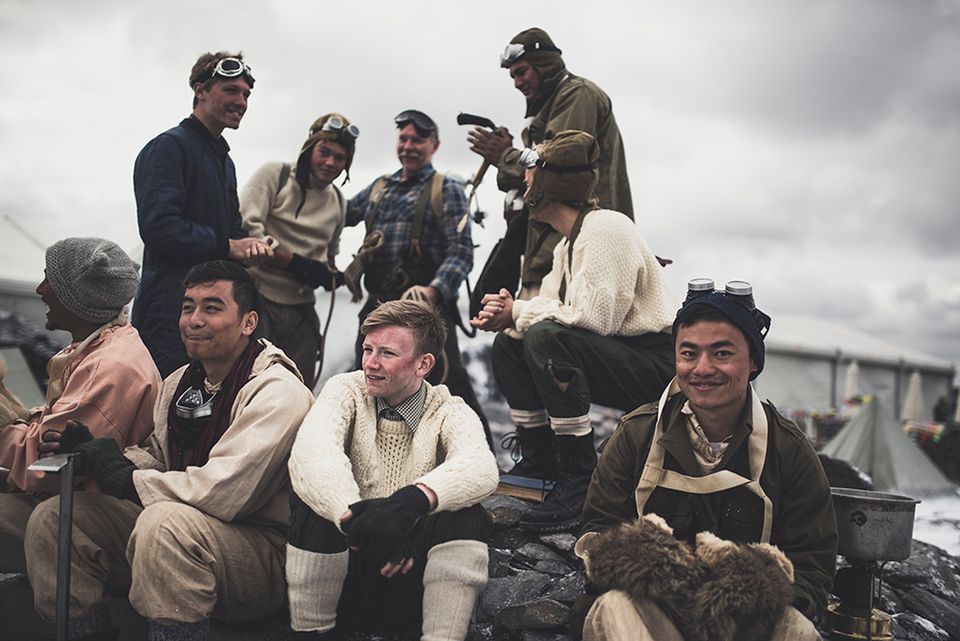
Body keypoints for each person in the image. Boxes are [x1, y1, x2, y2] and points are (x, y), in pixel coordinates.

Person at [21, 260, 314, 641]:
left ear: (248, 322)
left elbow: (223, 493)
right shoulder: (181, 382)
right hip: (183, 532)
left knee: (164, 525)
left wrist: (125, 478)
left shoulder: (277, 392)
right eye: (188, 307)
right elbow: (158, 457)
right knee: (57, 516)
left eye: (212, 308)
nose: (193, 320)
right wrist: (101, 454)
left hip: (260, 552)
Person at [576, 280, 838, 641]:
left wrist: (746, 588)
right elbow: (598, 529)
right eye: (688, 353)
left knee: (798, 630)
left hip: (747, 622)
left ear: (754, 363)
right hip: (653, 612)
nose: (701, 368)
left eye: (722, 353)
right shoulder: (637, 435)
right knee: (614, 607)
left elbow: (813, 562)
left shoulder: (788, 449)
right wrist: (658, 569)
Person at [472, 131, 676, 533]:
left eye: (531, 172)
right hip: (620, 356)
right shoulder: (569, 244)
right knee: (509, 345)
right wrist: (508, 315)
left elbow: (593, 319)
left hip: (659, 367)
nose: (525, 179)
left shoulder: (605, 230)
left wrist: (519, 311)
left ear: (550, 184)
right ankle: (540, 459)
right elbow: (551, 310)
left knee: (543, 338)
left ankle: (580, 478)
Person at [286, 299, 498, 641]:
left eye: (386, 353)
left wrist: (409, 504)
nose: (370, 363)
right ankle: (313, 634)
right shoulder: (346, 390)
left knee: (465, 514)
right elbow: (312, 452)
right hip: (346, 567)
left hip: (407, 572)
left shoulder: (449, 409)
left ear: (423, 364)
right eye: (367, 349)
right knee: (314, 497)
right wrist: (360, 522)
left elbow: (481, 465)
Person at [0, 237, 159, 573]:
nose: (41, 289)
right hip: (69, 495)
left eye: (50, 280)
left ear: (77, 299)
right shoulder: (98, 349)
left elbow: (47, 467)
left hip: (89, 510)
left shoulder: (110, 368)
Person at [345, 109, 491, 445]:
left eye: (418, 140)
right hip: (378, 306)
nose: (409, 146)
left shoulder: (447, 189)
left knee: (448, 387)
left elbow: (461, 251)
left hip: (425, 312)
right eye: (404, 138)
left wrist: (433, 289)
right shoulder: (380, 187)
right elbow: (339, 213)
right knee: (367, 383)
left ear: (435, 145)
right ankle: (368, 459)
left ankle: (480, 460)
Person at [133, 50, 273, 378]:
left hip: (209, 315)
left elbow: (232, 231)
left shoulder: (224, 161)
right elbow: (160, 228)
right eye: (231, 90)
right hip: (169, 313)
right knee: (160, 413)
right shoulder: (168, 147)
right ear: (200, 90)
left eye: (246, 94)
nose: (241, 101)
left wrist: (251, 246)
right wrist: (227, 247)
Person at [468, 27, 633, 301]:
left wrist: (505, 156)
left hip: (577, 254)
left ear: (543, 65)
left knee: (542, 338)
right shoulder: (551, 105)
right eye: (512, 76)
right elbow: (540, 168)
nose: (517, 83)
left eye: (521, 72)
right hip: (549, 254)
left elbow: (559, 171)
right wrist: (512, 154)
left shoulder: (577, 96)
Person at [240, 112, 357, 388]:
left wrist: (331, 274)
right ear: (309, 148)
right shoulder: (275, 176)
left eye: (340, 158)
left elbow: (330, 256)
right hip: (258, 298)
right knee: (246, 383)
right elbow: (247, 230)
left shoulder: (338, 202)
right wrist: (298, 266)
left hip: (301, 309)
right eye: (324, 152)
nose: (330, 163)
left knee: (296, 388)